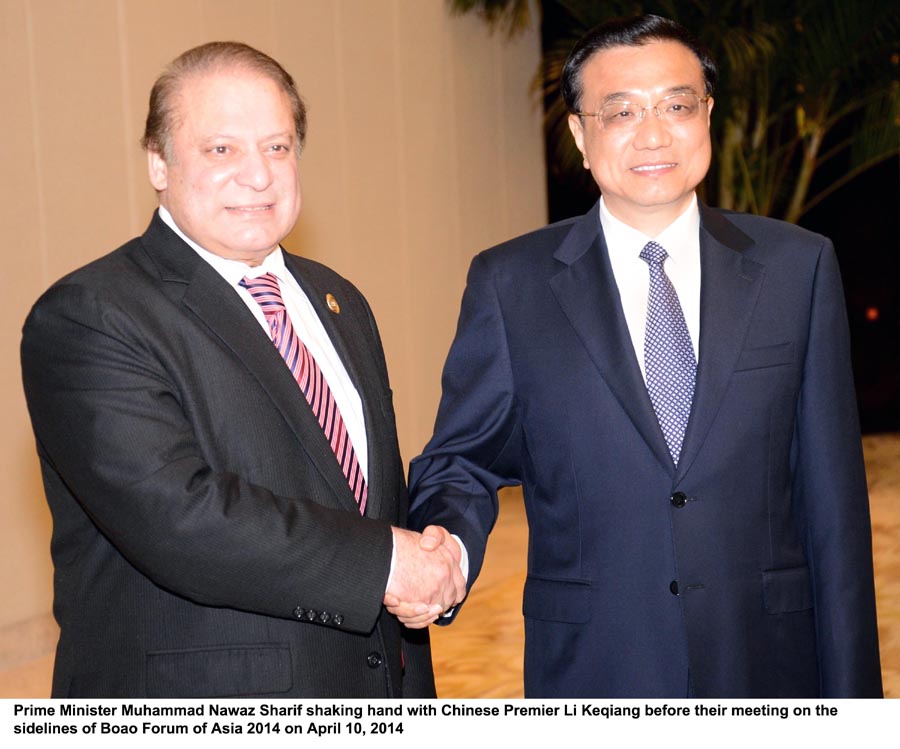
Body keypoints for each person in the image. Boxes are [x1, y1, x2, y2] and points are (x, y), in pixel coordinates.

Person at [401, 15, 882, 697]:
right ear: (580, 134)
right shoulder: (512, 284)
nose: (654, 134)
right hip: (596, 668)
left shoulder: (796, 268)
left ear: (707, 115)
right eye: (621, 111)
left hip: (768, 666)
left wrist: (855, 711)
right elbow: (463, 457)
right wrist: (446, 545)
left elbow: (834, 507)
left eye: (677, 106)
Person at [21, 41, 464, 698]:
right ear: (158, 164)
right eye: (220, 149)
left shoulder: (337, 299)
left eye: (278, 146)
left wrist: (439, 558)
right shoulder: (91, 314)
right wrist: (388, 565)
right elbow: (179, 517)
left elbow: (368, 497)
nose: (258, 175)